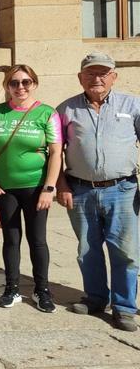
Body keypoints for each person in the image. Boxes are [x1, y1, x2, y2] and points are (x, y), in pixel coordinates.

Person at [56, 52, 140, 332]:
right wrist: (60, 184)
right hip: (80, 190)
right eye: (91, 73)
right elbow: (54, 153)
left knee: (126, 252)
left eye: (104, 73)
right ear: (80, 78)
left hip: (123, 190)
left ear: (114, 77)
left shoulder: (132, 104)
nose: (97, 78)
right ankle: (95, 298)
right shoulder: (66, 110)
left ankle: (124, 307)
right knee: (87, 250)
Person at [0, 65, 62, 313]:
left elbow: (56, 153)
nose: (20, 87)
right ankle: (12, 288)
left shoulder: (47, 113)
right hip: (4, 188)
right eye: (14, 83)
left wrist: (49, 188)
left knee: (37, 240)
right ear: (7, 86)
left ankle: (42, 290)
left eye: (26, 82)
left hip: (36, 187)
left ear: (34, 84)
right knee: (11, 239)